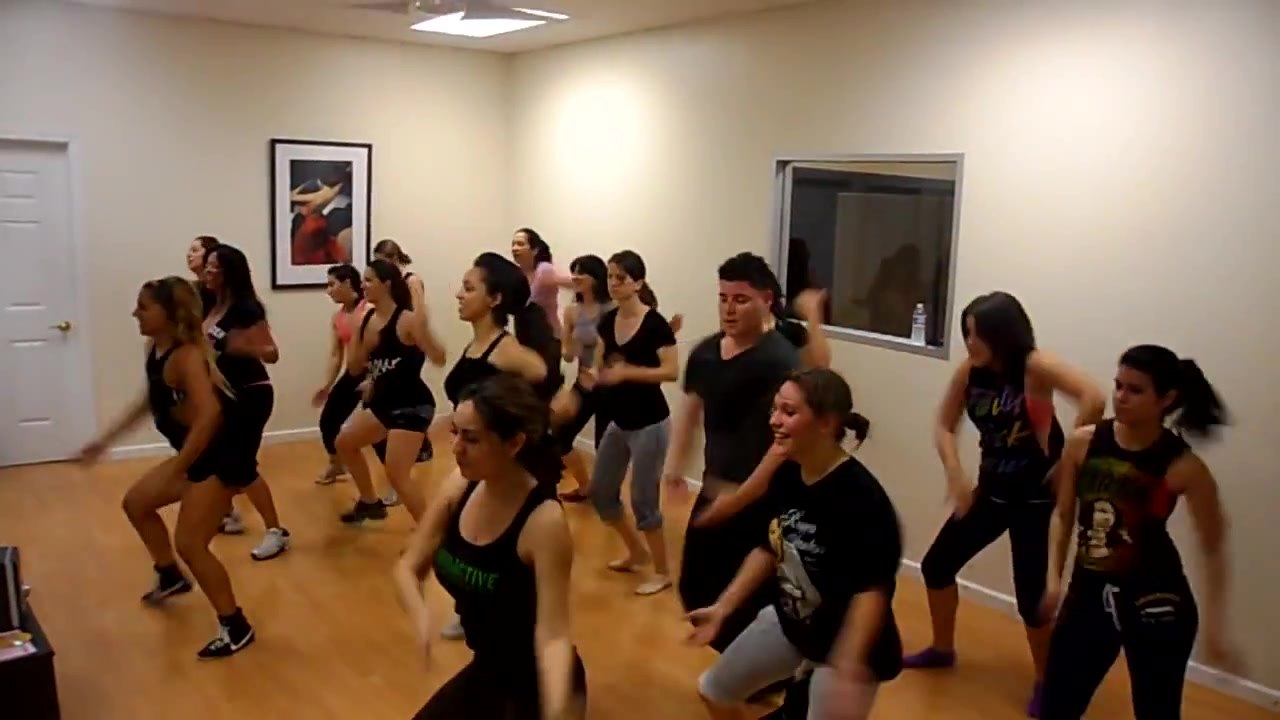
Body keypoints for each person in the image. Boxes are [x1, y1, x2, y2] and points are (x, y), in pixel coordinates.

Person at [902, 291, 1107, 718]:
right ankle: (942, 648)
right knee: (937, 566)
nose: (969, 342)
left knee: (1033, 599)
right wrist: (955, 473)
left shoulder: (1034, 366)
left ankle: (1046, 680)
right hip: (992, 491)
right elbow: (944, 424)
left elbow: (1093, 396)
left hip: (1036, 499)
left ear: (1002, 333)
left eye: (976, 334)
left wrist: (1069, 459)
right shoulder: (970, 372)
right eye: (966, 333)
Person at [689, 368, 902, 720]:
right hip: (792, 624)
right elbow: (769, 547)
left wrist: (847, 665)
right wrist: (723, 608)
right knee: (713, 690)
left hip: (847, 647)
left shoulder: (862, 499)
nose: (774, 420)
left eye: (789, 412)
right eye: (774, 409)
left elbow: (872, 592)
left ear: (826, 423)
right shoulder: (788, 472)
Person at [1039, 345, 1237, 719]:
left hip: (1157, 601)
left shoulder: (1184, 466)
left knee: (1156, 711)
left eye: (1135, 390)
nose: (1120, 397)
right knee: (1057, 707)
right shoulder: (1083, 443)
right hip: (1088, 594)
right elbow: (1063, 515)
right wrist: (1053, 580)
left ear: (1167, 399)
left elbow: (1213, 545)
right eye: (1118, 385)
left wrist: (1216, 626)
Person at [77, 276, 255, 658]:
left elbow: (210, 415)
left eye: (144, 307)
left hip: (220, 457)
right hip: (195, 456)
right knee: (137, 503)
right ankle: (170, 575)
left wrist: (181, 466)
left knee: (191, 544)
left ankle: (236, 626)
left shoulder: (187, 356)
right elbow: (150, 401)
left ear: (169, 313)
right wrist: (106, 440)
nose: (135, 314)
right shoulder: (156, 350)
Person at [393, 374, 585, 720]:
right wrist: (420, 615)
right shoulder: (459, 487)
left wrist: (557, 707)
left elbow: (553, 635)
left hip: (535, 680)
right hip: (488, 668)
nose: (456, 448)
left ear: (514, 443)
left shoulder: (543, 522)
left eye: (471, 438)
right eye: (454, 432)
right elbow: (408, 566)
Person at [667, 252, 802, 651]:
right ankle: (739, 664)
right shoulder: (706, 353)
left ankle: (757, 669)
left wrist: (741, 497)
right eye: (723, 298)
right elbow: (691, 410)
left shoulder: (779, 360)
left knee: (751, 597)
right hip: (718, 488)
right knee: (695, 587)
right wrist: (674, 467)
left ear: (766, 301)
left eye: (740, 299)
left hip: (764, 496)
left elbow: (784, 444)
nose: (728, 308)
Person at [438, 251, 559, 641]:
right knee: (470, 538)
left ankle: (528, 629)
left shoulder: (506, 351)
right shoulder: (477, 345)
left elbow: (542, 378)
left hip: (511, 464)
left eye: (468, 288)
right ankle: (474, 611)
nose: (459, 294)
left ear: (494, 299)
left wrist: (516, 431)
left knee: (506, 549)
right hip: (477, 458)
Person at [588, 250, 679, 596]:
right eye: (610, 277)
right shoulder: (607, 321)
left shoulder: (655, 324)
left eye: (621, 278)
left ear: (638, 283)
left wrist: (629, 372)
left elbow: (671, 371)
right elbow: (599, 363)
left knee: (643, 499)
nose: (613, 283)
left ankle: (662, 572)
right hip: (619, 421)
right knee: (601, 492)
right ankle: (636, 552)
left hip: (650, 424)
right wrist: (595, 373)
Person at [335, 259, 446, 524]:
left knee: (396, 474)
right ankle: (369, 502)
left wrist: (422, 325)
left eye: (369, 280)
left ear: (386, 284)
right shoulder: (367, 320)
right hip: (383, 403)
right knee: (344, 443)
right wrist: (355, 334)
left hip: (412, 404)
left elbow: (439, 357)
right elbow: (355, 368)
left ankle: (431, 533)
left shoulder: (406, 320)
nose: (363, 285)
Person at [202, 244, 292, 561]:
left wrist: (237, 347)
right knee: (221, 461)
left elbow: (271, 353)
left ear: (229, 272)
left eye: (214, 266)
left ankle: (276, 531)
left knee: (241, 465)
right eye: (207, 264)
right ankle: (224, 515)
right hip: (222, 395)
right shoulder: (209, 304)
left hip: (251, 393)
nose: (207, 270)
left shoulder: (247, 309)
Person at [550, 254, 611, 502]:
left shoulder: (612, 309)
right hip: (584, 383)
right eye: (573, 271)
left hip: (610, 386)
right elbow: (567, 354)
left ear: (596, 278)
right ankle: (585, 486)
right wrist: (569, 348)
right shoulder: (572, 312)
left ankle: (608, 494)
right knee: (560, 434)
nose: (575, 277)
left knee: (604, 445)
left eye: (581, 272)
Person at [371, 238, 433, 477]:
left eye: (384, 262)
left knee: (405, 390)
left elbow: (418, 311)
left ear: (395, 259)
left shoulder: (411, 280)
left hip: (409, 340)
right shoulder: (389, 283)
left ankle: (416, 443)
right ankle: (409, 441)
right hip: (393, 339)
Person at [510, 227, 573, 337]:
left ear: (535, 250)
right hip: (524, 336)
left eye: (520, 244)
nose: (514, 248)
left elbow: (574, 282)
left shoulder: (544, 270)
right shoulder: (516, 274)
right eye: (513, 244)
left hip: (549, 336)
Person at [186, 235, 220, 314]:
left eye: (194, 251)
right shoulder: (191, 288)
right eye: (189, 251)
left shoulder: (217, 289)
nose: (189, 255)